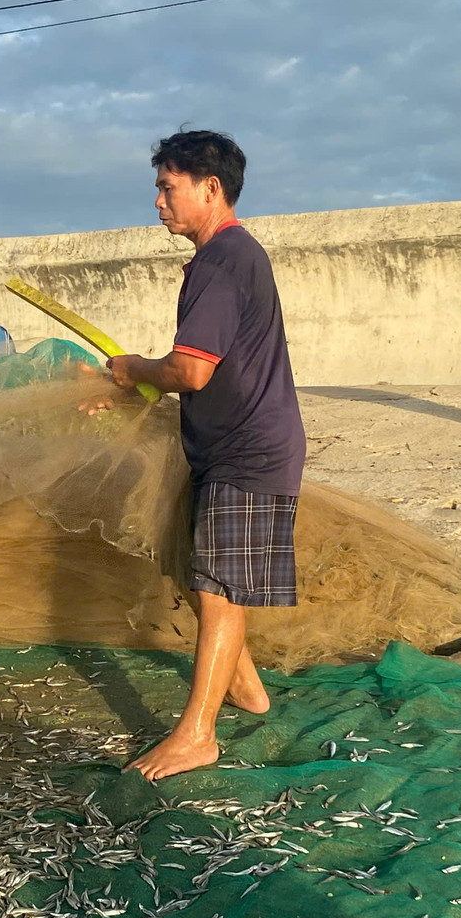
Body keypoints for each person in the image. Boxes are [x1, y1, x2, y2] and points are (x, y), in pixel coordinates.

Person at [90, 130, 306, 780]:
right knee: (195, 570)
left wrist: (132, 367)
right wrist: (127, 387)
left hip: (248, 450)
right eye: (158, 187)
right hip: (227, 448)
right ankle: (245, 689)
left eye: (168, 186)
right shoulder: (222, 260)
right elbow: (194, 367)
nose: (158, 200)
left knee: (218, 594)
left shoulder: (224, 259)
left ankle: (198, 735)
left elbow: (190, 369)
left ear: (210, 189)